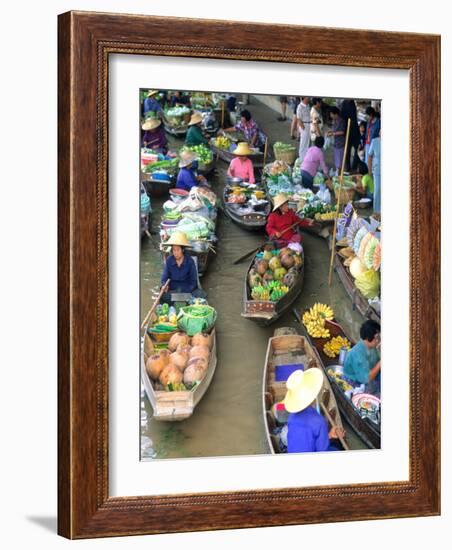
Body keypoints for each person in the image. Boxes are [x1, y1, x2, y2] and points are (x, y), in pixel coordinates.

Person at [283, 369, 345, 453]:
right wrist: (328, 436)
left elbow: (304, 439)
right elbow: (322, 450)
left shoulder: (291, 417)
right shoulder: (319, 421)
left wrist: (329, 435)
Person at [160, 232, 206, 303]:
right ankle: (183, 299)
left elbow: (193, 281)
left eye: (178, 250)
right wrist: (164, 285)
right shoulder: (169, 260)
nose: (175, 253)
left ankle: (182, 298)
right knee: (163, 297)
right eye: (174, 250)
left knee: (201, 295)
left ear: (183, 250)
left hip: (187, 291)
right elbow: (164, 278)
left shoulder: (190, 261)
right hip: (173, 290)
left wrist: (183, 292)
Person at [344, 320, 381, 396]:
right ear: (368, 338)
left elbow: (376, 361)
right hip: (354, 382)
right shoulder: (357, 354)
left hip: (367, 377)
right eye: (377, 337)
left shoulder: (371, 347)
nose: (378, 340)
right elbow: (366, 379)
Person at [341, 99, 360, 172]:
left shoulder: (352, 102)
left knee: (357, 149)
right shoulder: (344, 103)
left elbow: (354, 117)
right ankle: (347, 167)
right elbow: (343, 116)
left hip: (354, 129)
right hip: (347, 129)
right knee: (347, 149)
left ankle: (355, 166)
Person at [327, 106, 346, 174]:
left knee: (340, 158)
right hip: (335, 142)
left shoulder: (341, 121)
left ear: (335, 114)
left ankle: (339, 172)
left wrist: (333, 133)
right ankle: (337, 171)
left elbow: (342, 132)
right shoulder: (334, 120)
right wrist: (330, 132)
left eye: (331, 114)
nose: (330, 115)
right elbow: (333, 129)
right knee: (336, 157)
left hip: (340, 142)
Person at [367, 130, 381, 213]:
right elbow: (369, 156)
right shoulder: (375, 141)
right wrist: (369, 169)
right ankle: (376, 212)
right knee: (377, 190)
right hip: (377, 170)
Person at [296, 97, 311, 162]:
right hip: (304, 125)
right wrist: (303, 128)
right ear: (304, 98)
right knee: (303, 143)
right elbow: (299, 119)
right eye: (307, 97)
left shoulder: (308, 105)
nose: (309, 98)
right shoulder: (300, 107)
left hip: (309, 125)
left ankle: (306, 157)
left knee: (308, 143)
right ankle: (301, 158)